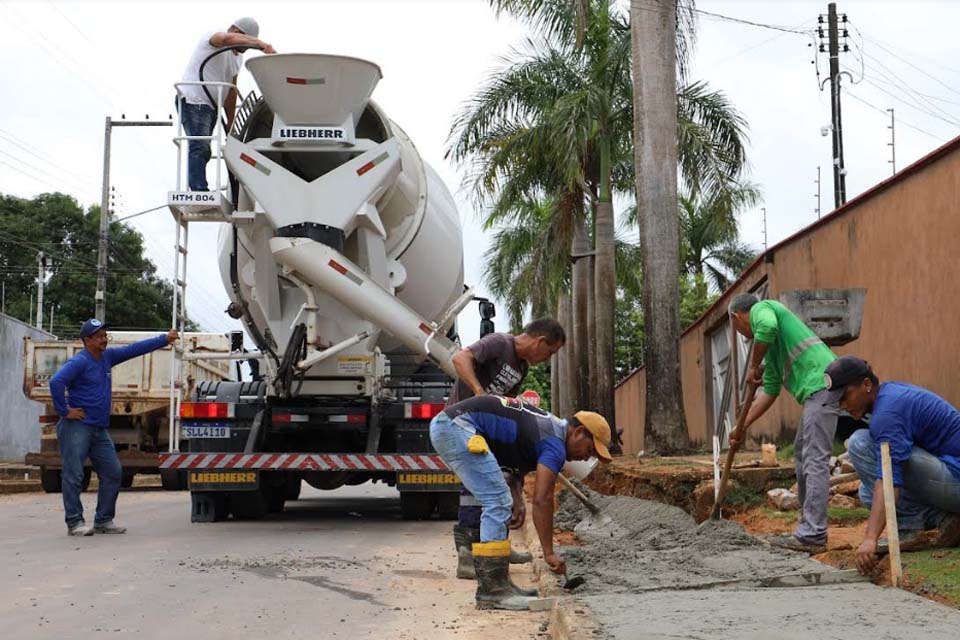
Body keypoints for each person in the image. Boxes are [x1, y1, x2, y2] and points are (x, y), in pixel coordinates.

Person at [430, 395, 611, 610]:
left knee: (499, 499)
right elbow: (543, 499)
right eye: (589, 450)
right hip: (457, 427)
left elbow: (514, 465)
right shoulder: (554, 444)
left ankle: (500, 585)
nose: (584, 459)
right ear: (579, 432)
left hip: (453, 425)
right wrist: (549, 553)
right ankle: (493, 591)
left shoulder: (548, 429)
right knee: (497, 501)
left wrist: (517, 498)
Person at [446, 318, 566, 579]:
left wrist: (518, 491)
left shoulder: (520, 367)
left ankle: (496, 546)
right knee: (475, 489)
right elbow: (459, 359)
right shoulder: (500, 344)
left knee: (500, 484)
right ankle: (467, 556)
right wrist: (479, 392)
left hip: (484, 431)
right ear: (540, 341)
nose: (547, 359)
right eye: (550, 352)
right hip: (461, 424)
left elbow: (506, 406)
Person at [822, 356, 960, 574]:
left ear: (867, 385)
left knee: (860, 443)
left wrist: (870, 539)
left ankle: (911, 525)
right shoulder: (888, 396)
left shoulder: (887, 414)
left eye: (845, 396)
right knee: (866, 493)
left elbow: (889, 479)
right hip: (946, 477)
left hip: (955, 479)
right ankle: (943, 519)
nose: (842, 405)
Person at [728, 293, 838, 553]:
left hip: (822, 385)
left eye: (738, 328)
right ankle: (807, 528)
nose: (744, 334)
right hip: (817, 391)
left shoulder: (763, 309)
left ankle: (813, 534)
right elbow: (769, 392)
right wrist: (740, 427)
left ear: (737, 317)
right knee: (801, 456)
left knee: (814, 459)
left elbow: (766, 327)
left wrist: (753, 366)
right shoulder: (772, 351)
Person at [49, 319, 178, 536]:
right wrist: (64, 411)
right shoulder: (80, 361)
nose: (104, 339)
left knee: (113, 472)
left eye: (105, 335)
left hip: (98, 428)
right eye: (98, 336)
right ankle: (74, 523)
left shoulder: (107, 358)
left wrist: (164, 339)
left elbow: (134, 350)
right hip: (77, 427)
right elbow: (56, 382)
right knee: (74, 475)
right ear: (87, 340)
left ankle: (103, 520)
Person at [179, 17, 276, 191]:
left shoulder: (236, 59)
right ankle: (198, 189)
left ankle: (199, 187)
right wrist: (260, 44)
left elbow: (231, 90)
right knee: (200, 146)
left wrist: (231, 120)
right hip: (194, 99)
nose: (245, 50)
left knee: (204, 148)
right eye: (245, 44)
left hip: (211, 106)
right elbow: (225, 39)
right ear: (237, 32)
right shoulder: (214, 37)